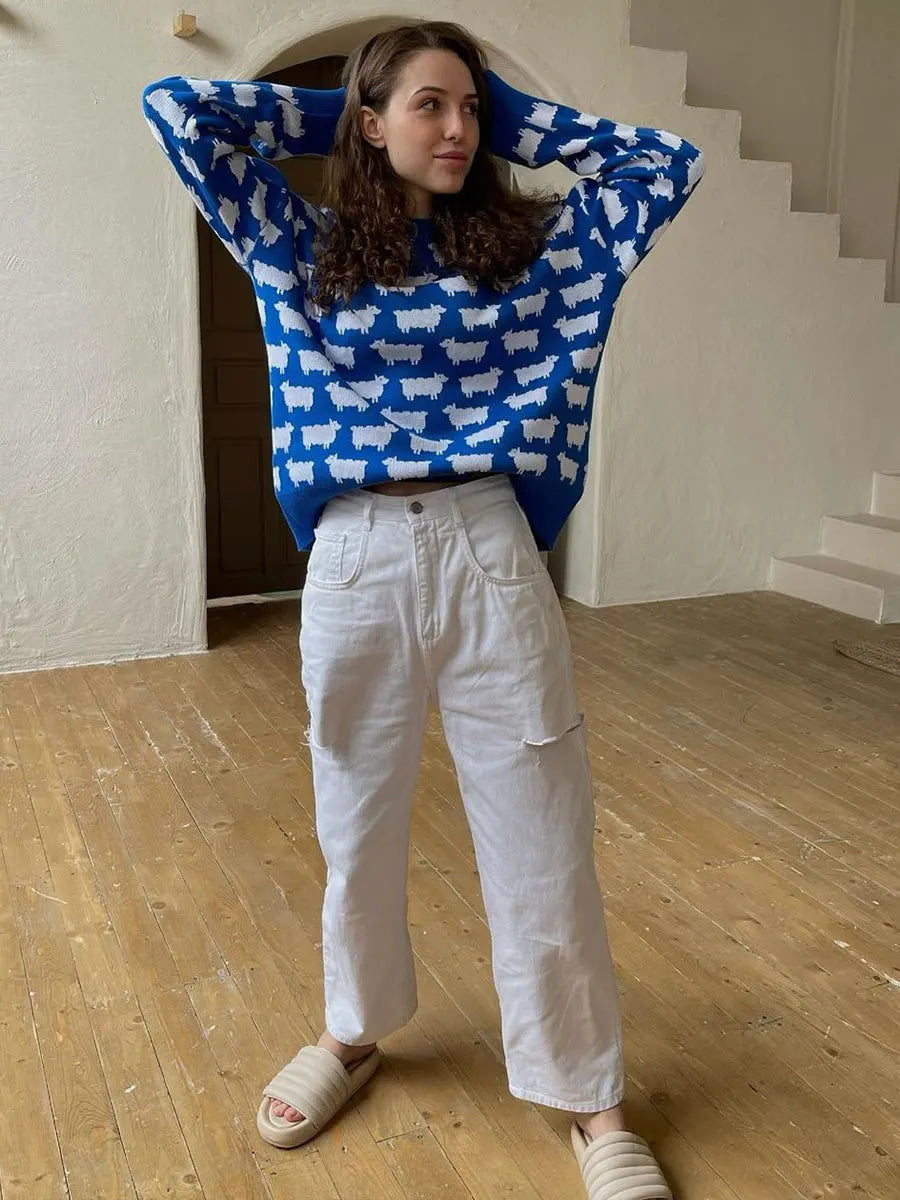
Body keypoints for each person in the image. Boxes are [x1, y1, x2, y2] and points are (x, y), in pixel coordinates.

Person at [142, 20, 703, 1199]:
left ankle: (589, 1099)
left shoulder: (532, 254)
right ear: (372, 121)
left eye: (471, 109)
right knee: (354, 819)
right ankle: (353, 1031)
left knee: (543, 823)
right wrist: (351, 108)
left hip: (491, 543)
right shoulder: (298, 245)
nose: (459, 130)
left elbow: (662, 165)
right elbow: (178, 112)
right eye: (431, 107)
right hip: (355, 556)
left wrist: (498, 113)